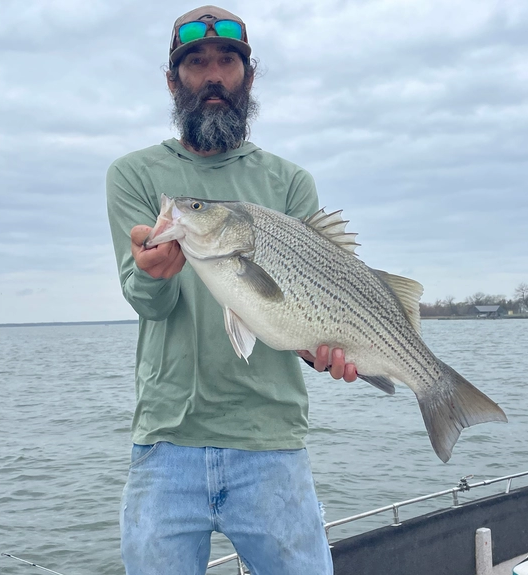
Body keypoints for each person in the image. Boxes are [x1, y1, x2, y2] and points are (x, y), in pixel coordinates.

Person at [105, 6, 355, 574]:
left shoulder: (288, 183)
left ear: (248, 77)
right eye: (196, 64)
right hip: (167, 440)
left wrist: (327, 351)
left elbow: (296, 314)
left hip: (271, 442)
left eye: (226, 63)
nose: (212, 76)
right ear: (173, 80)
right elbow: (148, 301)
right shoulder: (136, 176)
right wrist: (151, 275)